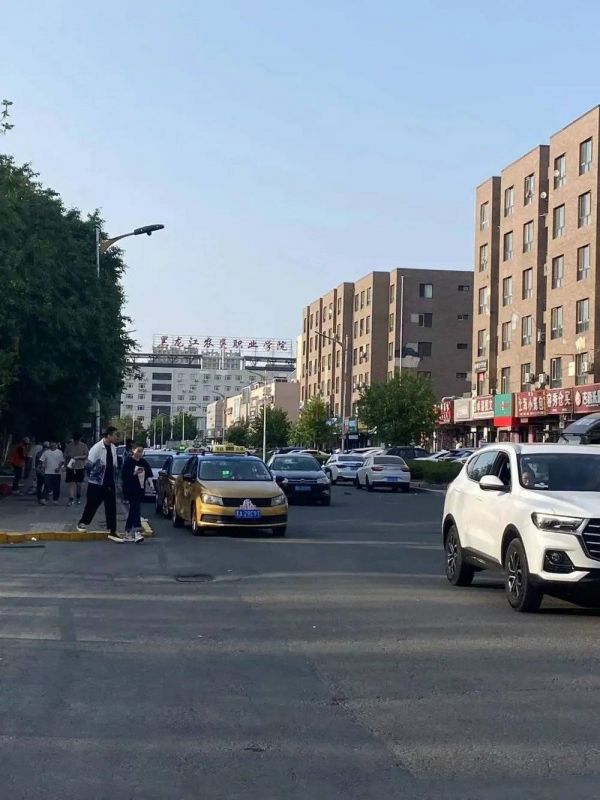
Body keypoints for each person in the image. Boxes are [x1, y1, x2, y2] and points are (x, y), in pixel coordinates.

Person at [77, 427, 119, 539]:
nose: (116, 437)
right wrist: (94, 477)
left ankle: (112, 531)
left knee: (111, 507)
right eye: (115, 435)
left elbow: (114, 465)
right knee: (92, 504)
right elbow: (88, 465)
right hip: (96, 483)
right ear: (108, 435)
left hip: (109, 482)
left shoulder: (113, 447)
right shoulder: (96, 448)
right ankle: (82, 522)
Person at [120, 445, 152, 543]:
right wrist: (135, 473)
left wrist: (151, 484)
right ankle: (137, 531)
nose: (139, 453)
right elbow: (124, 476)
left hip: (140, 489)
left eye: (141, 451)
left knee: (133, 510)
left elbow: (149, 474)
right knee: (136, 509)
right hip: (130, 489)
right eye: (138, 451)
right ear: (133, 451)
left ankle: (127, 531)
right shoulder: (129, 462)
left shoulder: (143, 462)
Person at [64, 433, 89, 506]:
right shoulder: (69, 446)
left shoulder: (84, 446)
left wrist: (78, 457)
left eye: (77, 440)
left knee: (79, 484)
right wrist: (66, 462)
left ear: (79, 439)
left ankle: (78, 497)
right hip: (71, 466)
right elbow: (65, 455)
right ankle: (71, 499)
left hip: (80, 466)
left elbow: (86, 456)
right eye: (75, 440)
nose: (76, 441)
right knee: (71, 483)